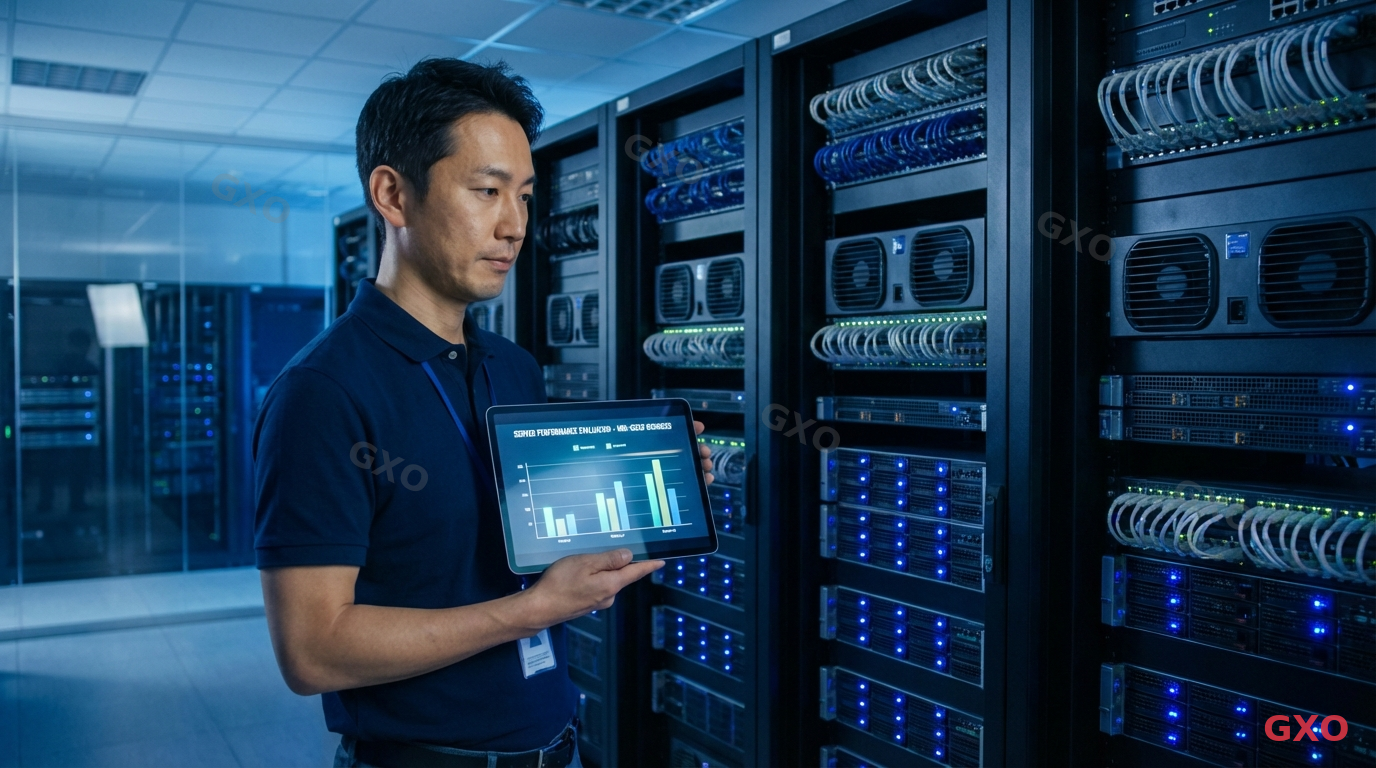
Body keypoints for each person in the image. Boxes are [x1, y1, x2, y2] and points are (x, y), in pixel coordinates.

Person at [252, 58, 712, 768]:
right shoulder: (322, 392)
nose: (515, 225)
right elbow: (312, 653)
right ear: (393, 195)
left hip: (554, 746)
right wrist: (533, 612)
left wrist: (653, 485)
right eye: (487, 191)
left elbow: (525, 534)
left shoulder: (511, 364)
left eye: (525, 196)